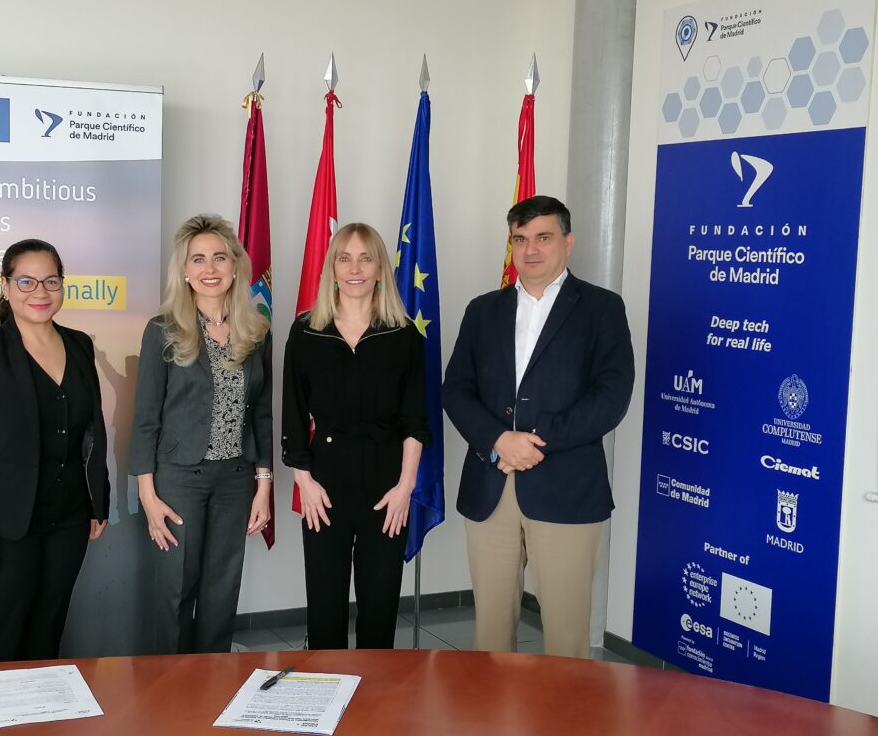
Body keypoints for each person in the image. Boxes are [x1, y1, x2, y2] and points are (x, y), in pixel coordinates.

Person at [443, 195, 634, 658]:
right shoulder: (482, 310)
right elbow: (456, 390)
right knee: (490, 637)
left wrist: (534, 445)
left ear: (568, 242)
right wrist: (498, 440)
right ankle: (494, 707)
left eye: (543, 237)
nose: (530, 249)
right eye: (520, 239)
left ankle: (563, 712)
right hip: (491, 485)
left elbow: (610, 398)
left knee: (567, 641)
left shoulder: (602, 308)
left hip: (566, 489)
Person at [0, 238, 110, 663]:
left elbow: (92, 431)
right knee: (2, 635)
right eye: (26, 281)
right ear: (5, 286)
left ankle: (38, 709)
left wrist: (98, 501)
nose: (40, 291)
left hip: (69, 519)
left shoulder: (79, 344)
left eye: (50, 281)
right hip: (4, 525)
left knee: (47, 631)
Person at [282, 222, 429, 650]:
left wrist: (405, 488)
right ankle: (326, 685)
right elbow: (293, 413)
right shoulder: (306, 331)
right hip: (324, 480)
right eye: (344, 258)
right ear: (332, 268)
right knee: (324, 600)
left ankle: (376, 689)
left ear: (380, 269)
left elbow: (415, 419)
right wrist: (304, 481)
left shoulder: (404, 335)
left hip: (387, 482)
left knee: (380, 602)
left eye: (366, 258)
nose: (355, 268)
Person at [131, 214, 272, 655]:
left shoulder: (256, 331)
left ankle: (211, 681)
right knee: (176, 591)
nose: (210, 268)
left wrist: (263, 485)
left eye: (219, 258)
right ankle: (171, 686)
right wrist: (147, 495)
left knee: (221, 591)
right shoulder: (162, 330)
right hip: (178, 479)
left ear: (235, 266)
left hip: (235, 479)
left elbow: (262, 414)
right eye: (198, 259)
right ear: (185, 270)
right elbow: (146, 418)